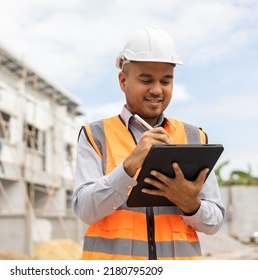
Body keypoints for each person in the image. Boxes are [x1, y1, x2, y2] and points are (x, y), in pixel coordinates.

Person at [72, 26, 225, 260]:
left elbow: (214, 222)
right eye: (146, 80)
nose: (156, 89)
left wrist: (191, 205)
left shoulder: (195, 137)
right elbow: (85, 210)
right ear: (123, 81)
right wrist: (129, 166)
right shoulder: (96, 136)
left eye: (166, 81)